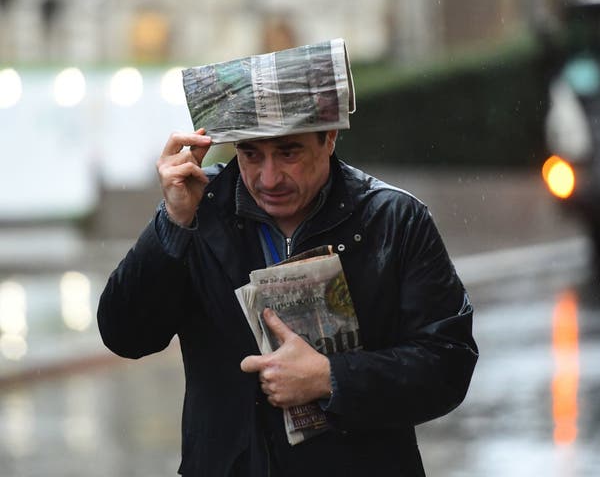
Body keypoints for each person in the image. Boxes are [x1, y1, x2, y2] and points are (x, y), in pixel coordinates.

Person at [97, 127, 478, 476]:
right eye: (250, 155)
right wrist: (174, 221)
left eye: (288, 153)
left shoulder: (394, 218)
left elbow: (448, 362)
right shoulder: (199, 209)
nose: (269, 178)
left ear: (328, 138)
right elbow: (126, 335)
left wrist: (331, 378)